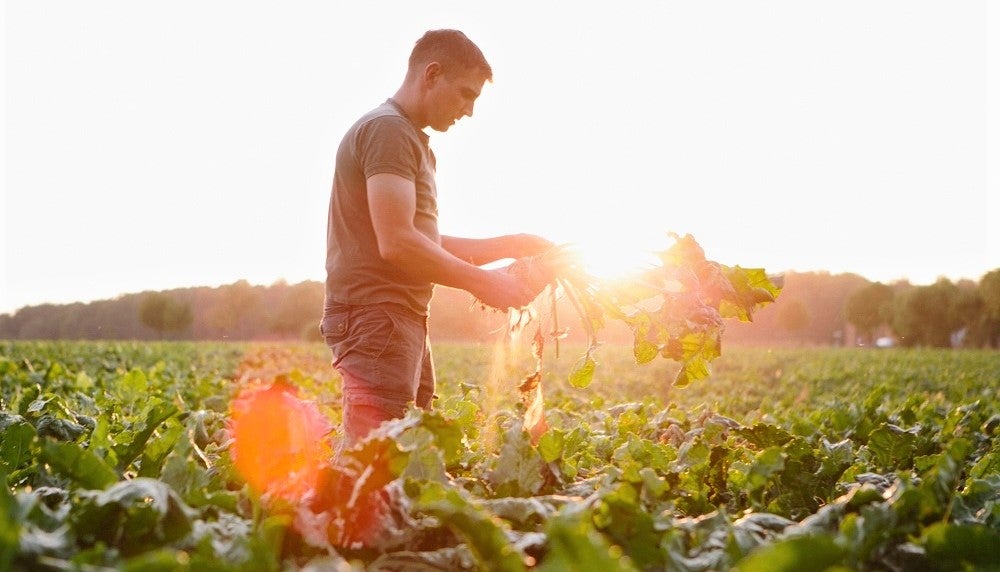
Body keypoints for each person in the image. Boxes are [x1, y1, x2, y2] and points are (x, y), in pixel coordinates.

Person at [321, 29, 553, 448]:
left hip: (398, 316)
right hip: (378, 315)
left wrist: (509, 244)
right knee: (374, 466)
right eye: (466, 95)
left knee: (403, 460)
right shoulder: (388, 131)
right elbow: (398, 243)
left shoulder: (410, 139)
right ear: (432, 74)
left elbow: (419, 238)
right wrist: (487, 283)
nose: (468, 112)